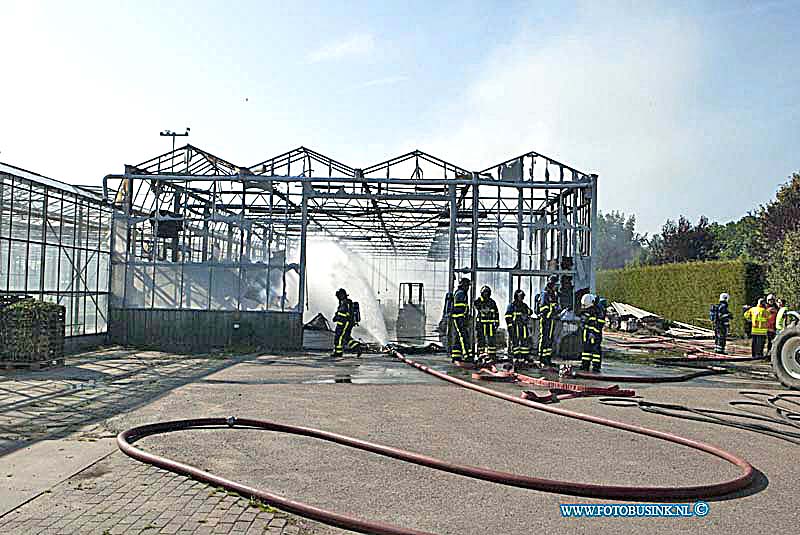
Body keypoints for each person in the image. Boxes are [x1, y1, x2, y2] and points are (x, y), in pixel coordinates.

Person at [332, 288, 362, 358]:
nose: (338, 297)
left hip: (344, 324)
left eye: (339, 295)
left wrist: (337, 317)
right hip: (345, 323)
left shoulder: (345, 303)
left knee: (338, 337)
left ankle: (338, 353)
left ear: (342, 295)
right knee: (346, 337)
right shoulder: (345, 302)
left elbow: (343, 314)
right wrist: (336, 316)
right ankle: (357, 347)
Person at [505, 289, 533, 365]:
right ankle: (516, 356)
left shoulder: (524, 305)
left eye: (522, 296)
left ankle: (525, 356)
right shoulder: (511, 306)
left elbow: (530, 312)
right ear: (516, 297)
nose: (521, 298)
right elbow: (507, 316)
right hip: (514, 327)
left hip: (523, 327)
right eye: (520, 296)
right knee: (515, 342)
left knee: (524, 341)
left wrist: (526, 313)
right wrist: (510, 326)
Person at [474, 285, 500, 366]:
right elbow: (476, 306)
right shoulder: (478, 301)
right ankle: (480, 355)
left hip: (490, 325)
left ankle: (492, 356)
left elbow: (496, 313)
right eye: (484, 292)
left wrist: (496, 322)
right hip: (481, 324)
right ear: (481, 293)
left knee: (491, 340)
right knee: (481, 340)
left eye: (487, 293)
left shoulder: (492, 302)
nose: (485, 294)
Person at [537, 275, 560, 366]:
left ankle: (547, 358)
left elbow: (555, 306)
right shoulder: (545, 293)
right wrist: (552, 310)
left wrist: (556, 310)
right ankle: (542, 358)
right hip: (546, 320)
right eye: (555, 285)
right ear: (551, 284)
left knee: (550, 339)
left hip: (551, 320)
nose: (556, 286)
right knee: (545, 338)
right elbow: (543, 308)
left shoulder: (553, 294)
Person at [449, 278, 473, 363]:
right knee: (463, 336)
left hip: (459, 318)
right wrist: (463, 318)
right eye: (467, 285)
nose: (468, 288)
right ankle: (467, 356)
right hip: (459, 318)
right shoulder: (460, 294)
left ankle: (456, 356)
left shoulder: (460, 293)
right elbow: (460, 308)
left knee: (458, 337)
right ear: (463, 285)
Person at [579, 293, 602, 372]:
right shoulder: (590, 309)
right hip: (587, 333)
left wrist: (594, 333)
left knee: (595, 350)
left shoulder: (598, 311)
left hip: (595, 334)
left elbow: (599, 324)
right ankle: (585, 365)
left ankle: (596, 367)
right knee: (586, 349)